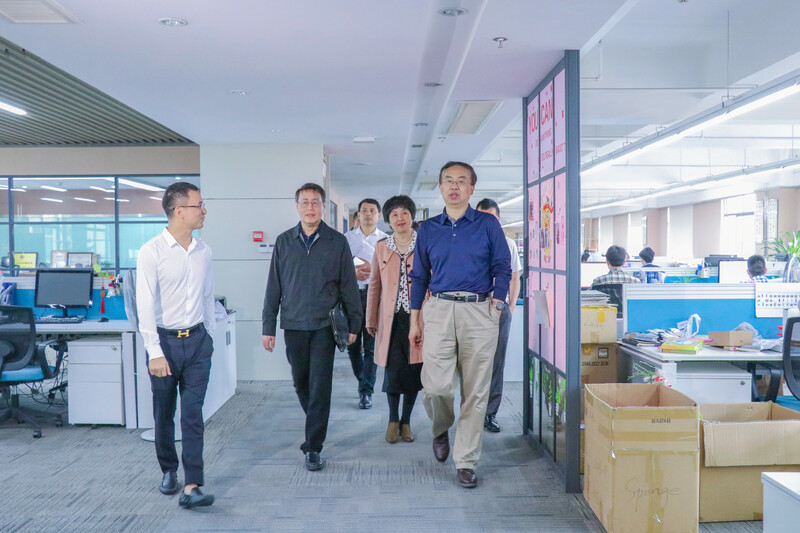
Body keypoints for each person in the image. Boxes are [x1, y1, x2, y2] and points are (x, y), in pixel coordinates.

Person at [409, 161, 511, 489]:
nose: (454, 186)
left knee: (475, 390)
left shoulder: (487, 224)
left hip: (479, 311)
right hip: (438, 309)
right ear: (440, 187)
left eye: (461, 181)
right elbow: (419, 277)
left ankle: (466, 460)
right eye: (448, 181)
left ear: (471, 188)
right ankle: (441, 427)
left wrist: (497, 304)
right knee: (436, 387)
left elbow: (503, 266)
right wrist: (415, 320)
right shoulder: (428, 229)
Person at [262, 183, 362, 472]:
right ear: (297, 207)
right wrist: (268, 326)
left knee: (320, 385)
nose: (310, 207)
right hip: (293, 324)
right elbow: (273, 286)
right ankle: (316, 419)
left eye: (315, 202)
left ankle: (313, 446)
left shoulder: (337, 242)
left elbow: (348, 285)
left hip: (323, 325)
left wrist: (354, 323)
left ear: (323, 207)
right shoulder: (284, 242)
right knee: (301, 382)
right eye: (304, 202)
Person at [136, 182, 216, 509]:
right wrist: (154, 351)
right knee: (164, 413)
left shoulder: (204, 251)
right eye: (199, 205)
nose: (204, 210)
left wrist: (209, 336)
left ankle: (193, 483)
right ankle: (169, 469)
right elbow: (144, 304)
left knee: (193, 414)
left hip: (197, 343)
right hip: (164, 344)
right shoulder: (151, 251)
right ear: (179, 211)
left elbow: (208, 296)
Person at [365, 195, 423, 444]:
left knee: (413, 370)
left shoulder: (424, 245)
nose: (400, 218)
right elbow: (374, 284)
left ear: (412, 216)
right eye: (395, 214)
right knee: (392, 371)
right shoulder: (381, 247)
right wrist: (370, 318)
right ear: (388, 220)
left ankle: (406, 421)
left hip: (417, 319)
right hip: (390, 321)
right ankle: (392, 420)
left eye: (405, 213)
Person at [475, 198, 522, 433]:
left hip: (499, 308)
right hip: (473, 308)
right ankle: (472, 412)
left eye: (491, 217)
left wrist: (510, 306)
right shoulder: (468, 241)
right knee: (472, 362)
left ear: (498, 219)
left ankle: (490, 413)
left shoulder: (508, 244)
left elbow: (514, 277)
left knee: (496, 362)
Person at [344, 198, 388, 410]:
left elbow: (392, 271)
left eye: (372, 211)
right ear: (358, 215)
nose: (368, 214)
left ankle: (366, 391)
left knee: (371, 346)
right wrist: (353, 273)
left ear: (379, 215)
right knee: (352, 344)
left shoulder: (386, 240)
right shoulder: (346, 239)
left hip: (375, 296)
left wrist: (376, 269)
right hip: (352, 295)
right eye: (364, 211)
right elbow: (338, 269)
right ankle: (363, 380)